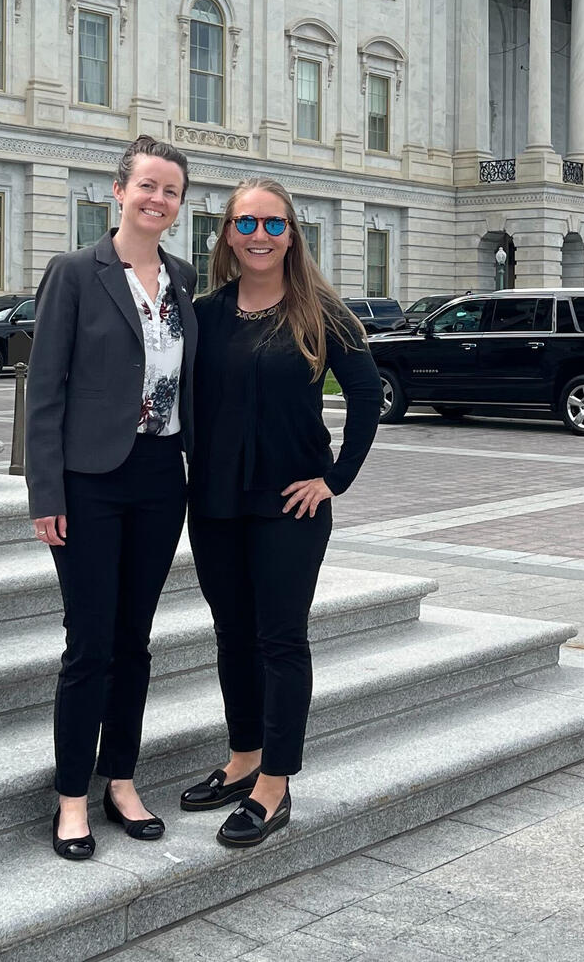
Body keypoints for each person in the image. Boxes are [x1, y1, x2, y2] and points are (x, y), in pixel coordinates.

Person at [180, 177, 380, 848]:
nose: (258, 235)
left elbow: (366, 397)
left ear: (292, 233)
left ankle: (275, 781)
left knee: (280, 640)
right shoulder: (205, 313)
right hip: (212, 503)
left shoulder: (322, 311)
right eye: (246, 223)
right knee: (232, 634)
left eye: (272, 223)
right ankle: (242, 758)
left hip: (287, 508)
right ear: (227, 234)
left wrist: (334, 478)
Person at [24, 134, 197, 861]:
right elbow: (45, 389)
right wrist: (45, 492)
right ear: (118, 191)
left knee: (135, 640)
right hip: (90, 482)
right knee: (90, 641)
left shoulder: (184, 278)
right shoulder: (75, 272)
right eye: (147, 185)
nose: (158, 199)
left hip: (161, 478)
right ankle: (71, 797)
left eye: (171, 191)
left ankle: (120, 778)